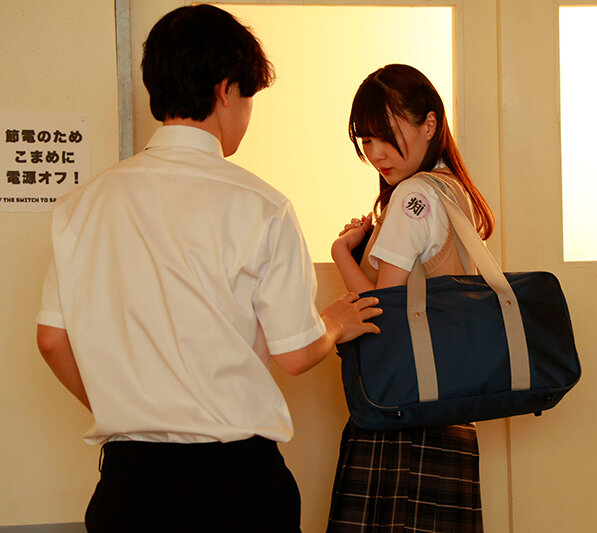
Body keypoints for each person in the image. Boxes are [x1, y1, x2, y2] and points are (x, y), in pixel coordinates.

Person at [34, 4, 380, 531]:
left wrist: (123, 410)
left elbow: (51, 341)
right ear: (225, 90)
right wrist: (332, 323)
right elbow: (294, 353)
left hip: (129, 484)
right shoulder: (262, 206)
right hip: (237, 485)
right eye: (248, 97)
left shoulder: (80, 206)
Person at [327, 64, 494, 532]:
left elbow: (386, 317)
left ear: (430, 124)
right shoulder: (452, 189)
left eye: (386, 135)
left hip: (402, 413)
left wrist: (341, 253)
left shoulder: (411, 196)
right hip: (448, 407)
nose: (376, 153)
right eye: (366, 140)